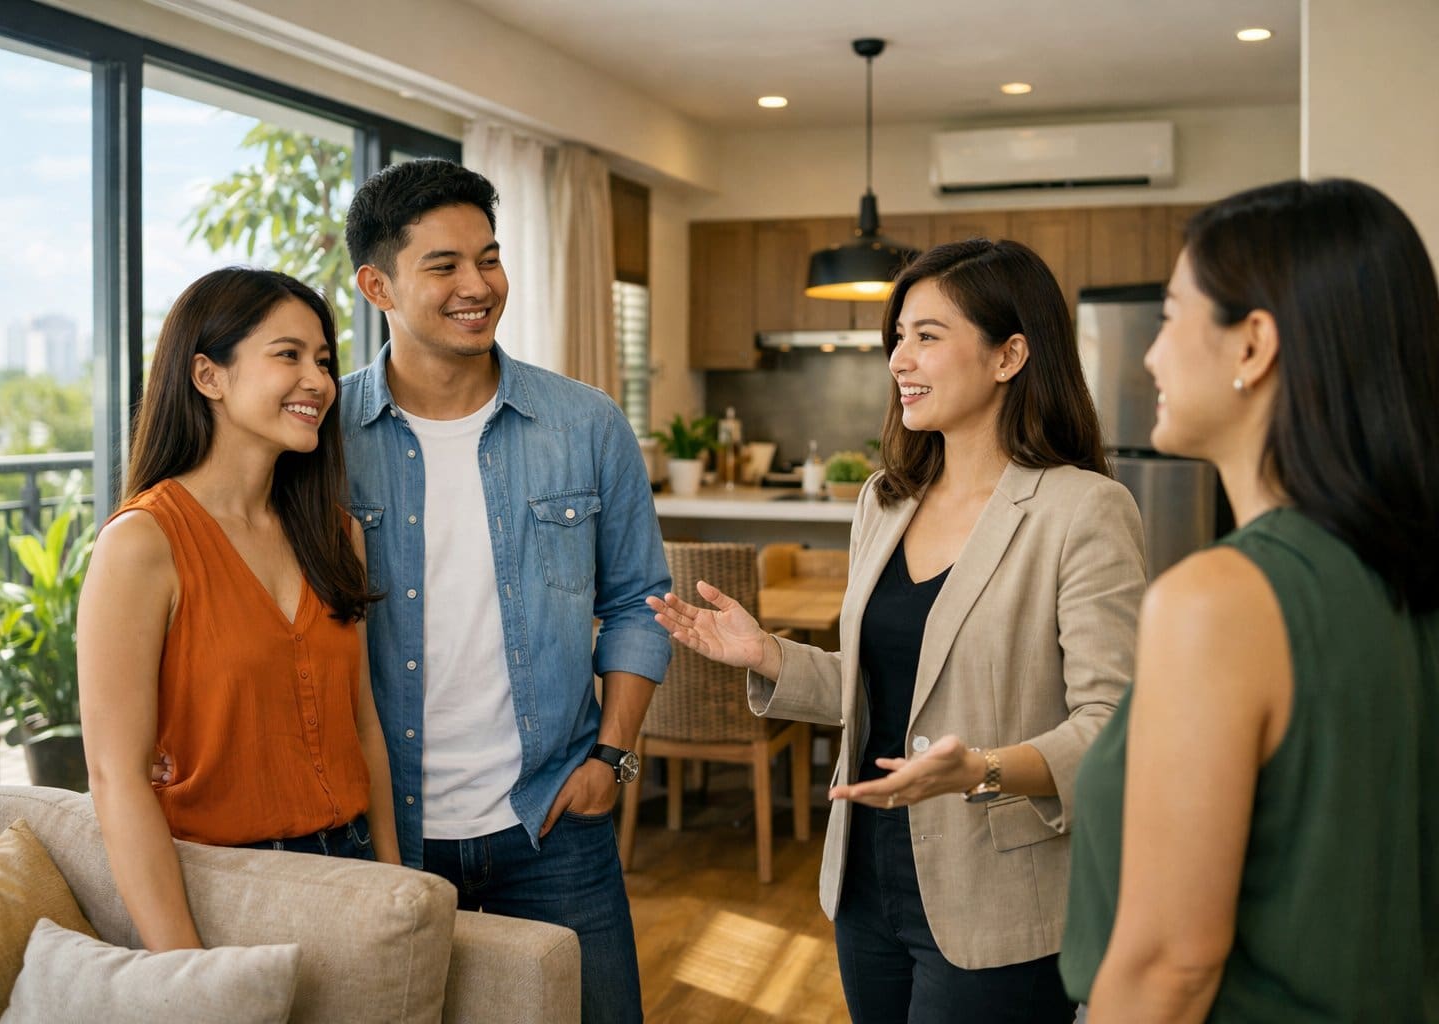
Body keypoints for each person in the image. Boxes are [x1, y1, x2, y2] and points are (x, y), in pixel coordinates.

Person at [651, 239, 1147, 1021]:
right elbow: (887, 686)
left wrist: (980, 768)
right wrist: (769, 655)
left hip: (996, 897)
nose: (899, 360)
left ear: (1009, 354)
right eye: (898, 338)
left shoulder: (1081, 510)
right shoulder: (885, 499)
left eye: (927, 336)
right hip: (864, 881)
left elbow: (1114, 729)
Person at [1061, 178, 1439, 1020]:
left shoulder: (1219, 600)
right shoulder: (1401, 574)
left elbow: (1170, 967)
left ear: (1252, 345)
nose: (1151, 355)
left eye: (1169, 314)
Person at [340, 158, 671, 1023]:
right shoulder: (324, 440)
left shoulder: (586, 422)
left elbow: (639, 599)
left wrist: (612, 757)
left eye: (488, 258)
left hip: (554, 820)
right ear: (377, 284)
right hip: (378, 831)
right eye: (443, 266)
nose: (478, 285)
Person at [78, 268, 400, 951]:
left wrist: (397, 887)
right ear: (208, 375)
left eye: (324, 361)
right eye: (288, 355)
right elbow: (116, 777)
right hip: (221, 888)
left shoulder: (339, 534)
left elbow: (363, 722)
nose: (317, 380)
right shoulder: (141, 543)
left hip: (350, 870)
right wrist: (182, 964)